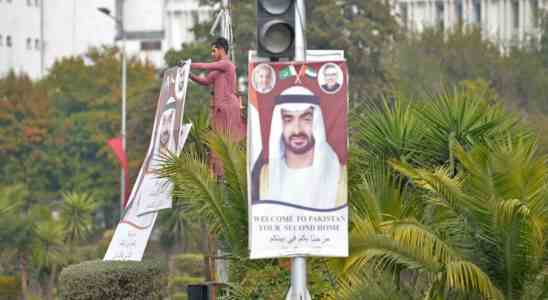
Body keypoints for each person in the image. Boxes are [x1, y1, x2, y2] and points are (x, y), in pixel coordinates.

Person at [254, 86, 347, 209]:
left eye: (306, 119)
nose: (297, 130)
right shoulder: (264, 176)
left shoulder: (340, 176)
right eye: (288, 119)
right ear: (279, 124)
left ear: (316, 123)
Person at [187, 37, 245, 176]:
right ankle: (220, 175)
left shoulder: (226, 64)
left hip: (229, 107)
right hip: (220, 110)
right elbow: (205, 81)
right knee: (217, 145)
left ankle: (229, 174)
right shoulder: (217, 69)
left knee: (229, 142)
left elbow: (205, 66)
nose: (212, 54)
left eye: (214, 51)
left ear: (221, 49)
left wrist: (190, 64)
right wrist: (189, 75)